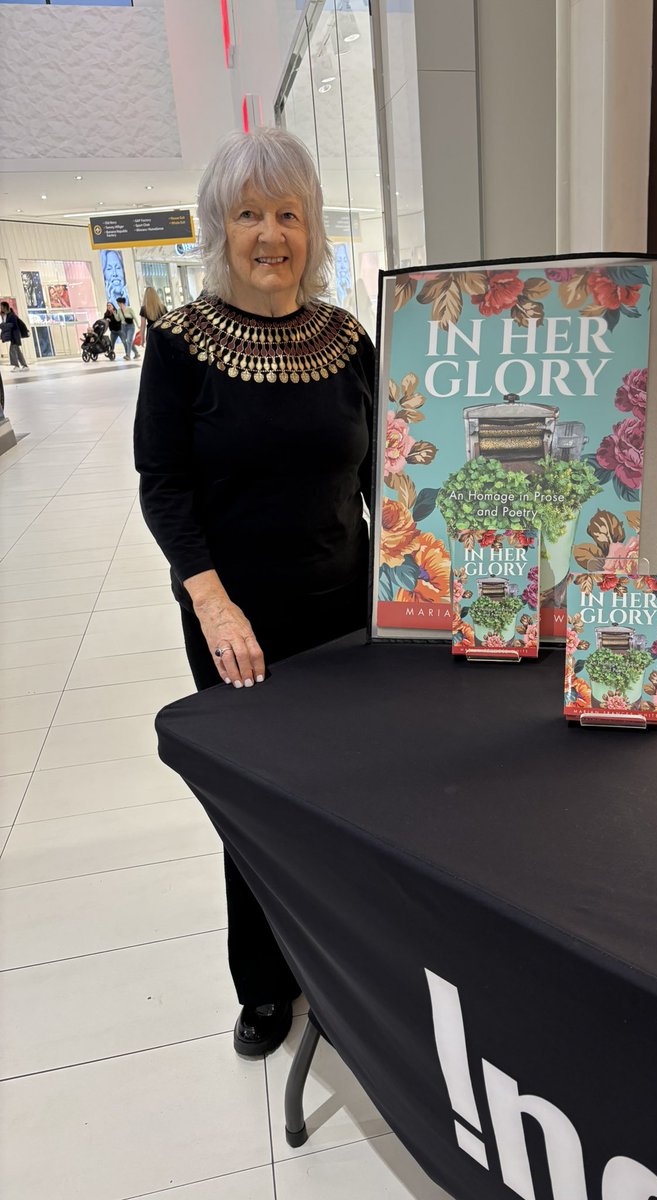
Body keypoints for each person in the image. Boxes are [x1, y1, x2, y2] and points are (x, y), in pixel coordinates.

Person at [134, 126, 374, 1058]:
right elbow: (164, 485)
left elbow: (388, 473)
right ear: (218, 228)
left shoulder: (348, 339)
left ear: (312, 229)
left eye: (288, 213)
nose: (270, 234)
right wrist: (211, 602)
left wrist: (415, 582)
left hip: (348, 612)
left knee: (347, 795)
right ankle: (267, 984)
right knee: (259, 806)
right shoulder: (179, 344)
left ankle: (348, 971)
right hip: (239, 623)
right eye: (247, 214)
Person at [0, 302, 29, 370]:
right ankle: (25, 366)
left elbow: (14, 325)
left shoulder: (11, 315)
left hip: (15, 336)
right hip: (13, 336)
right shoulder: (7, 315)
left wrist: (3, 325)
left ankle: (16, 366)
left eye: (1, 307)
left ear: (5, 307)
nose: (0, 308)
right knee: (18, 352)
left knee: (12, 351)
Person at [116, 296, 140, 360]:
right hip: (123, 327)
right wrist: (115, 314)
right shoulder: (118, 310)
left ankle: (128, 355)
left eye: (118, 303)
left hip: (130, 326)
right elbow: (118, 319)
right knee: (129, 341)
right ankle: (136, 353)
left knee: (129, 340)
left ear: (121, 303)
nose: (118, 304)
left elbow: (134, 317)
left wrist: (138, 325)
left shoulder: (129, 309)